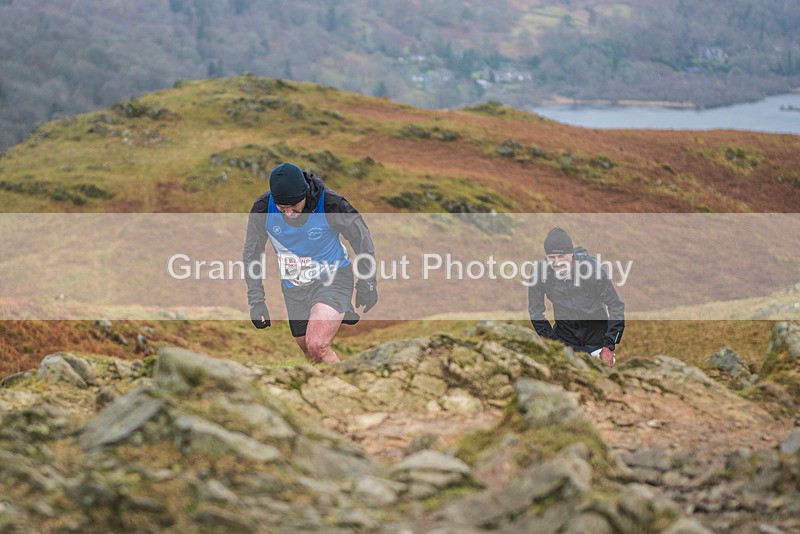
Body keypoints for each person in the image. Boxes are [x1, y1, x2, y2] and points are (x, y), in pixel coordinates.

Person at [243, 162, 378, 363]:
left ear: (305, 194)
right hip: (294, 286)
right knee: (308, 349)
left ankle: (345, 388)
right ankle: (327, 391)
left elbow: (362, 241)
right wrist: (256, 301)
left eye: (293, 206)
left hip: (334, 278)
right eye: (282, 208)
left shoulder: (332, 204)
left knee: (317, 345)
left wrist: (367, 283)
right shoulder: (263, 208)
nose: (288, 213)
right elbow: (252, 253)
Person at [528, 227, 624, 366]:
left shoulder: (592, 269)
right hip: (565, 341)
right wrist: (554, 343)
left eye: (561, 256)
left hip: (598, 341)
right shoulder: (540, 273)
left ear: (571, 253)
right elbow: (535, 311)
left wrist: (608, 345)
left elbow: (616, 305)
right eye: (551, 257)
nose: (557, 262)